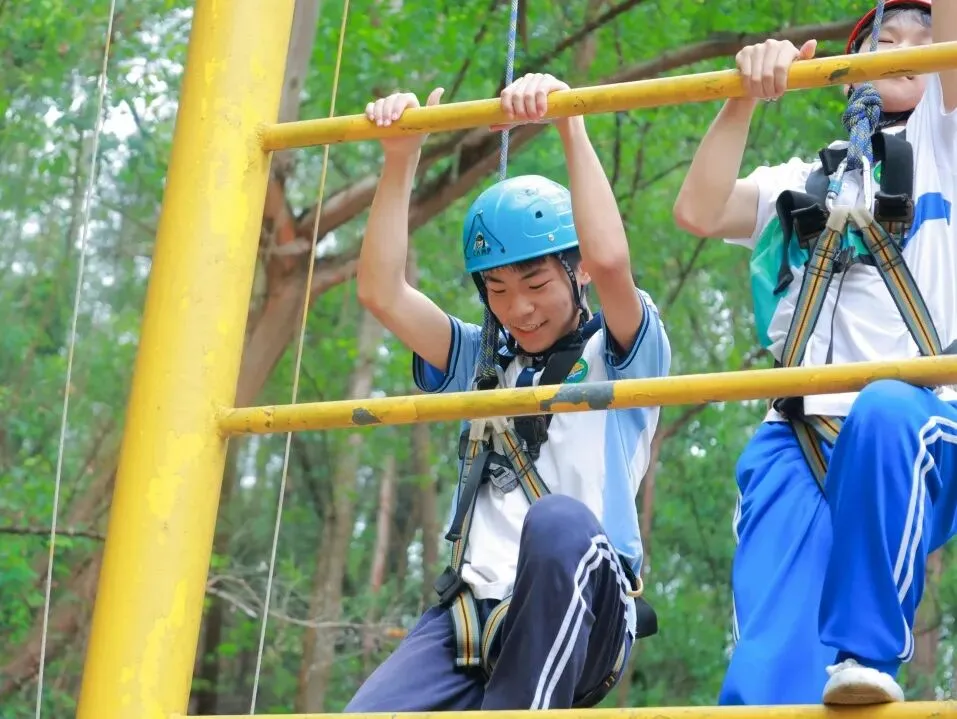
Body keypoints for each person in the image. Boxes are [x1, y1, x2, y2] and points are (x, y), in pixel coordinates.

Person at [346, 72, 670, 711]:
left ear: (573, 273)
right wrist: (400, 159)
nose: (518, 307)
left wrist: (570, 119)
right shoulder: (481, 360)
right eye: (497, 290)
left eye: (536, 282)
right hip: (471, 612)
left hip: (584, 597)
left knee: (556, 523)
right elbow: (381, 292)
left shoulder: (624, 352)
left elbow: (610, 262)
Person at [673, 0, 956, 707]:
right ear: (844, 75)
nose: (900, 51)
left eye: (918, 44)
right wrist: (742, 96)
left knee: (886, 405)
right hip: (796, 436)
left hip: (913, 423)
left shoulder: (943, 148)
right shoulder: (803, 180)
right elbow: (699, 210)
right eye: (881, 41)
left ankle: (864, 652)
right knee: (767, 671)